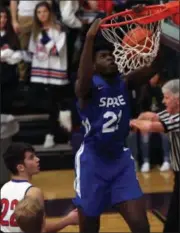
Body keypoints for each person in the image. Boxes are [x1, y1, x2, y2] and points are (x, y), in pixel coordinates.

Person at [73, 18, 162, 233]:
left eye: (113, 54)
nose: (111, 58)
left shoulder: (125, 82)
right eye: (104, 56)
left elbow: (156, 66)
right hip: (92, 163)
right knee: (90, 229)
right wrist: (90, 38)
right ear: (93, 64)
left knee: (141, 226)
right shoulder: (87, 88)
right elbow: (82, 78)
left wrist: (152, 24)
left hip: (120, 161)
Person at [130, 79, 180, 233]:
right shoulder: (173, 113)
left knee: (174, 215)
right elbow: (151, 117)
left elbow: (152, 126)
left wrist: (126, 122)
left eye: (166, 97)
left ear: (178, 99)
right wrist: (140, 117)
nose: (163, 101)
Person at [0, 142, 78, 233]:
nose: (37, 159)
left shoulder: (4, 188)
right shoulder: (33, 192)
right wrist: (68, 220)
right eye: (31, 157)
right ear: (21, 167)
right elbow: (41, 229)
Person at [28, 2, 69, 148]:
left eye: (44, 11)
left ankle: (52, 134)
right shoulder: (36, 31)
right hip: (40, 73)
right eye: (38, 12)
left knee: (54, 104)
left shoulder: (59, 29)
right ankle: (56, 130)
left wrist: (45, 38)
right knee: (49, 104)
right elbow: (33, 51)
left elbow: (56, 50)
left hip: (56, 73)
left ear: (49, 12)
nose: (42, 15)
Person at [0, 6, 22, 114]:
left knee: (6, 107)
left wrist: (7, 56)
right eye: (0, 17)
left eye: (5, 17)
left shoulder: (11, 35)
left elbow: (18, 55)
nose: (2, 20)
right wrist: (6, 54)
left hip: (9, 77)